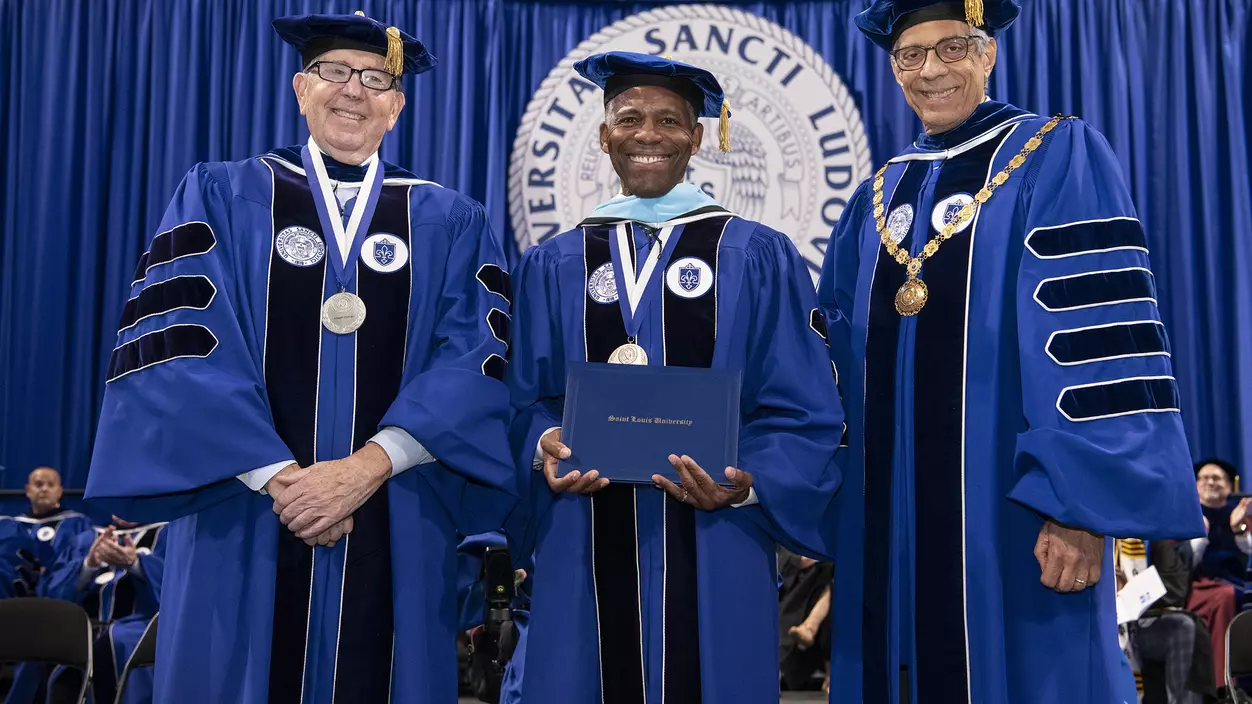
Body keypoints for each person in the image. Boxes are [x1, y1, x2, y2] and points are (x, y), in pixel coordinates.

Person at [83, 12, 517, 703]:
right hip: (247, 509)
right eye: (335, 72)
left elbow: (475, 360)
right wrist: (287, 480)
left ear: (396, 107)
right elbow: (178, 346)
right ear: (299, 88)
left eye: (376, 79)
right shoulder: (222, 193)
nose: (354, 91)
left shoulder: (451, 218)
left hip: (397, 510)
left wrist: (365, 469)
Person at [818, 1, 1205, 702]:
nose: (931, 69)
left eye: (952, 48)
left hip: (1018, 519)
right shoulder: (875, 197)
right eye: (911, 55)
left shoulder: (1054, 154)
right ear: (893, 69)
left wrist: (1077, 507)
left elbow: (1098, 342)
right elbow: (831, 365)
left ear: (988, 52)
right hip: (888, 532)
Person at [507, 51, 844, 703]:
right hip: (581, 540)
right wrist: (541, 444)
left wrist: (750, 486)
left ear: (698, 136)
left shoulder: (755, 254)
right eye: (629, 117)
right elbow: (520, 399)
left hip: (719, 543)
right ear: (604, 136)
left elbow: (801, 407)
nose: (649, 133)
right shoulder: (555, 262)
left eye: (669, 119)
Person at [1182, 458, 1248, 689]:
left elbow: (1245, 556)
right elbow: (1179, 564)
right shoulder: (1186, 513)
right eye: (1204, 478)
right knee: (1226, 596)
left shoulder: (1240, 514)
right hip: (1196, 586)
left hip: (1237, 583)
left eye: (1217, 478)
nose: (1210, 482)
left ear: (1230, 487)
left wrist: (1237, 529)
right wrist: (1201, 534)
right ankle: (1224, 684)